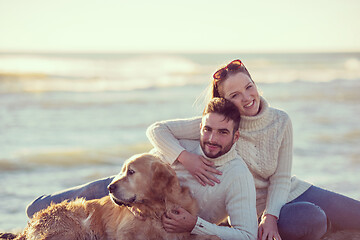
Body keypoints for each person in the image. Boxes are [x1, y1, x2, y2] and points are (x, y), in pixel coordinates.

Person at [146, 59, 360, 240]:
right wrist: (186, 158)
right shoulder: (222, 127)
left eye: (249, 87)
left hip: (290, 190)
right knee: (314, 219)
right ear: (224, 101)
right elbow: (157, 130)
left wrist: (271, 216)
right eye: (235, 95)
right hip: (253, 210)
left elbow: (281, 177)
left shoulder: (281, 120)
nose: (247, 98)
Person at [26, 98, 258, 240]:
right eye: (207, 129)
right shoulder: (187, 145)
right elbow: (155, 130)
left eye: (223, 132)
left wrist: (194, 225)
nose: (211, 138)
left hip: (137, 193)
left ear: (236, 136)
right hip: (122, 190)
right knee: (40, 210)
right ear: (199, 127)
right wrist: (185, 157)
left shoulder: (238, 176)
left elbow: (248, 236)